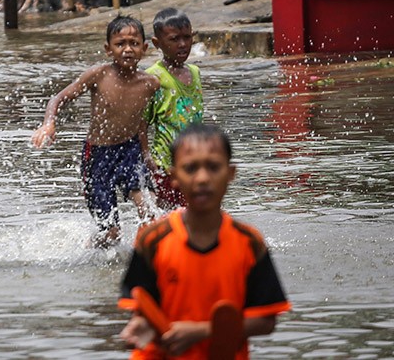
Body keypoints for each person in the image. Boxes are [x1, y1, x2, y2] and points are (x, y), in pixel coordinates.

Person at [118, 124, 291, 358]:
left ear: (230, 174)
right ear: (174, 177)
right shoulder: (153, 240)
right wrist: (140, 328)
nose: (202, 178)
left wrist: (202, 331)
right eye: (190, 168)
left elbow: (266, 321)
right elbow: (141, 308)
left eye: (213, 167)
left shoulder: (249, 243)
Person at [32, 16, 161, 245]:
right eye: (120, 44)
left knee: (149, 209)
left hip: (130, 151)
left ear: (145, 48)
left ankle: (146, 258)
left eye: (134, 43)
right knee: (111, 234)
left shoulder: (150, 84)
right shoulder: (98, 75)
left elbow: (142, 122)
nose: (127, 49)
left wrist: (147, 154)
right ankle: (89, 251)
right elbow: (59, 98)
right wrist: (48, 123)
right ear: (108, 49)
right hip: (98, 156)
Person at [145, 8, 203, 208]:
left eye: (187, 38)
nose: (182, 44)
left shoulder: (195, 72)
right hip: (165, 166)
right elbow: (140, 125)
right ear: (157, 44)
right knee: (170, 219)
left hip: (195, 163)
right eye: (174, 39)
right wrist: (146, 159)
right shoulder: (153, 77)